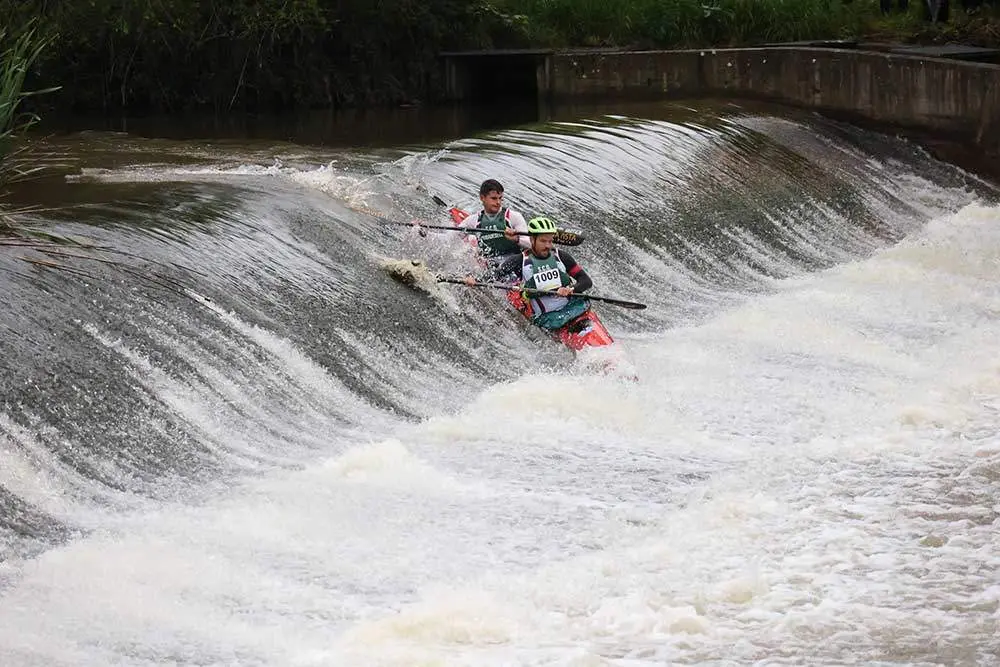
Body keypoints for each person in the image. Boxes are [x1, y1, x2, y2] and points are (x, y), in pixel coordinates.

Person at [496, 215, 594, 331]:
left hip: (572, 307)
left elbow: (586, 281)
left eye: (550, 241)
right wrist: (472, 280)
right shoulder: (518, 261)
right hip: (548, 318)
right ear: (532, 240)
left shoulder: (561, 256)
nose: (548, 245)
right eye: (543, 241)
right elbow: (492, 277)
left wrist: (570, 289)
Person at [458, 179, 530, 283]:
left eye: (500, 198)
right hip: (492, 265)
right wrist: (426, 232)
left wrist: (517, 239)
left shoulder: (513, 217)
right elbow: (449, 237)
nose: (498, 203)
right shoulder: (473, 221)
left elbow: (532, 244)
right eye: (494, 198)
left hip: (515, 263)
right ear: (482, 198)